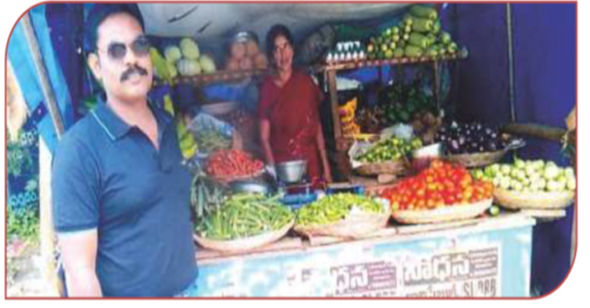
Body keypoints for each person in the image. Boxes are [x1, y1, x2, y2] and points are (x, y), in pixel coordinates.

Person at [51, 4, 198, 297]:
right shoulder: (78, 150)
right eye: (117, 51)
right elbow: (80, 275)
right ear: (95, 66)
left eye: (139, 46)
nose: (132, 58)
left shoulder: (168, 126)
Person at [258, 24, 332, 184]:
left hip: (311, 166)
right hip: (283, 169)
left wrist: (326, 166)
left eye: (285, 46)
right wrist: (273, 172)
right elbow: (264, 138)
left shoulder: (305, 82)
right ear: (271, 56)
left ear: (292, 49)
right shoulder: (267, 89)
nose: (282, 54)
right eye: (276, 49)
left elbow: (316, 125)